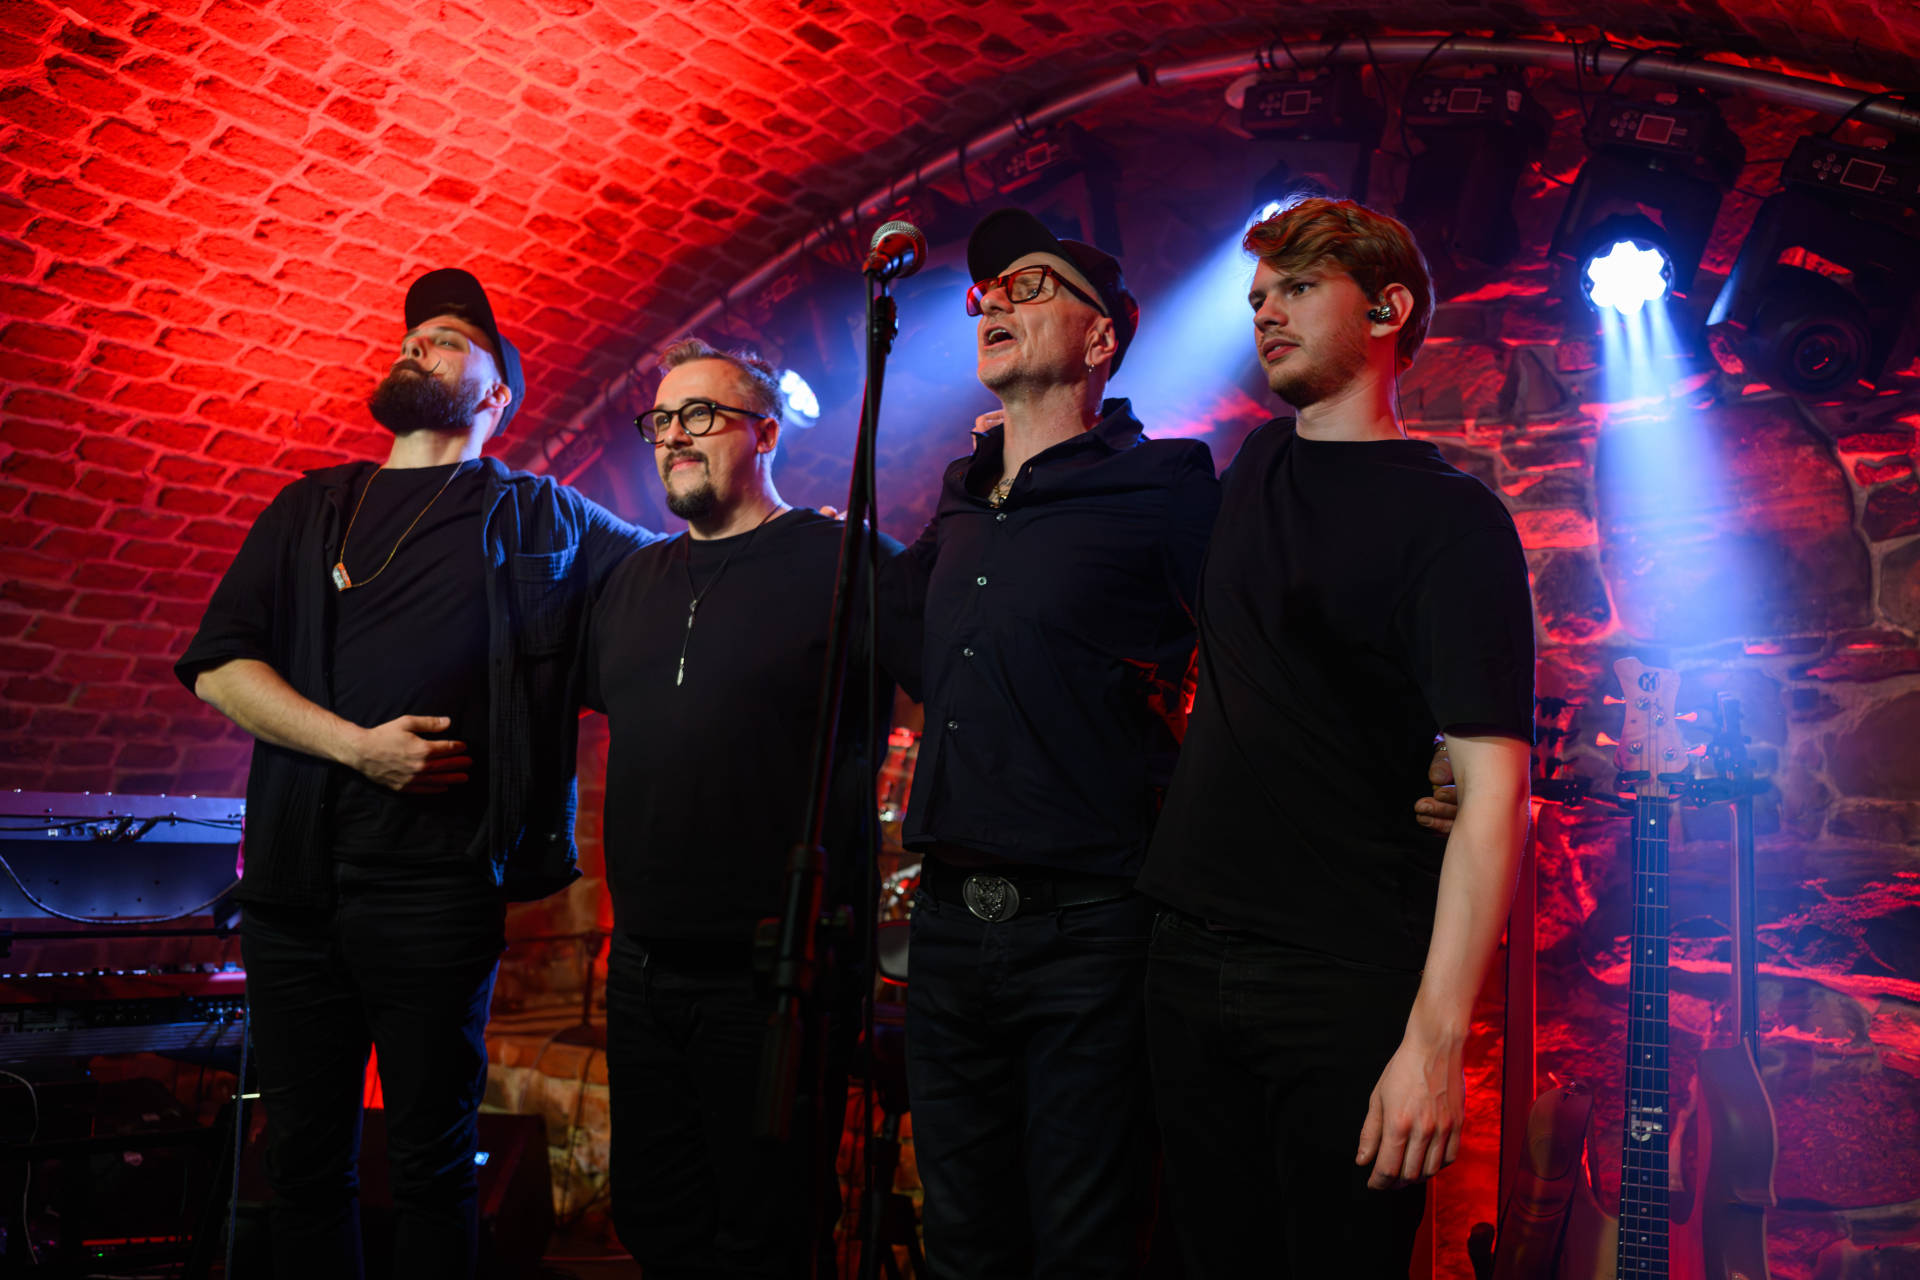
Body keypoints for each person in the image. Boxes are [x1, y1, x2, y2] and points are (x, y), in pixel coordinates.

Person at [176, 269, 655, 1280]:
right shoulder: (312, 509)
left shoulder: (542, 517)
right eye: (411, 335)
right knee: (303, 1167)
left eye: (445, 339)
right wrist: (358, 747)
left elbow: (674, 569)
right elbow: (220, 666)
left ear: (496, 394)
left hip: (438, 895)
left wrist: (790, 527)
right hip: (295, 895)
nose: (414, 345)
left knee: (436, 1170)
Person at [1135, 197, 1536, 1277]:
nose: (1265, 312)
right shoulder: (1257, 464)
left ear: (1388, 309)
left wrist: (1436, 1043)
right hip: (1185, 957)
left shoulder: (1453, 520)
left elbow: (1495, 794)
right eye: (1258, 295)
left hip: (1340, 977)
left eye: (1300, 287)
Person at [583, 338, 918, 1277]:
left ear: (766, 433)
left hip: (775, 978)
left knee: (766, 1236)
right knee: (655, 1223)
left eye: (701, 415)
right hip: (642, 969)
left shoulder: (848, 562)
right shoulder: (632, 583)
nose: (673, 436)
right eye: (660, 420)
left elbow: (957, 685)